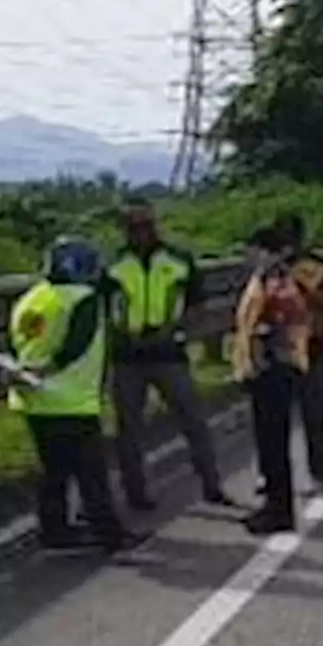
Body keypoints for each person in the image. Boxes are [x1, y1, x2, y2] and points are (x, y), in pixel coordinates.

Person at [4, 238, 143, 551]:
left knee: (53, 471)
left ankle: (54, 531)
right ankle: (108, 533)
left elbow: (11, 341)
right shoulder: (83, 299)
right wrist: (49, 369)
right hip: (71, 399)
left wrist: (23, 371)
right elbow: (77, 345)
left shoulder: (31, 298)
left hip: (33, 398)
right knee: (91, 472)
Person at [102, 197, 228, 510]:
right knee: (129, 430)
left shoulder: (179, 260)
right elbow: (102, 310)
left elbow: (198, 305)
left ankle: (211, 484)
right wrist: (117, 335)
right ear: (124, 231)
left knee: (193, 421)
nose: (141, 232)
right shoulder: (112, 266)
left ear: (156, 225)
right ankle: (137, 493)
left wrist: (177, 330)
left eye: (147, 225)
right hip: (128, 355)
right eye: (134, 227)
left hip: (168, 351)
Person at [231, 225, 311, 534]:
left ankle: (279, 511)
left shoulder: (277, 280)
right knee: (268, 443)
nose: (249, 256)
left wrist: (262, 355)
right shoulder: (267, 278)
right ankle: (275, 507)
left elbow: (280, 321)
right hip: (265, 368)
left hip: (274, 369)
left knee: (273, 443)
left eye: (255, 249)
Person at [273, 212, 323, 493]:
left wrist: (302, 284)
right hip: (278, 349)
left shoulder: (316, 266)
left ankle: (321, 475)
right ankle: (275, 478)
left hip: (312, 348)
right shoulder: (269, 269)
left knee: (315, 417)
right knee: (276, 421)